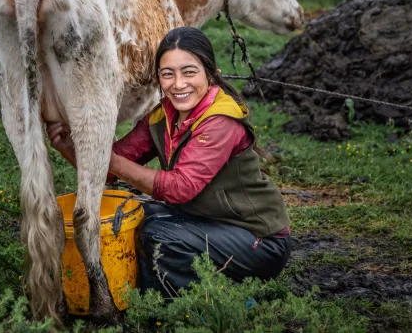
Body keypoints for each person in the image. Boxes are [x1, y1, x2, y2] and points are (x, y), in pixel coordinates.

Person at [47, 26, 291, 295]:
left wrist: (107, 159)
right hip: (208, 219)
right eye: (167, 74)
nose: (178, 84)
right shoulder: (164, 114)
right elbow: (112, 169)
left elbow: (180, 187)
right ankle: (138, 292)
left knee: (160, 234)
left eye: (189, 72)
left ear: (211, 74)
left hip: (257, 239)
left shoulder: (220, 120)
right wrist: (69, 148)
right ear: (158, 79)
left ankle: (198, 303)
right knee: (131, 215)